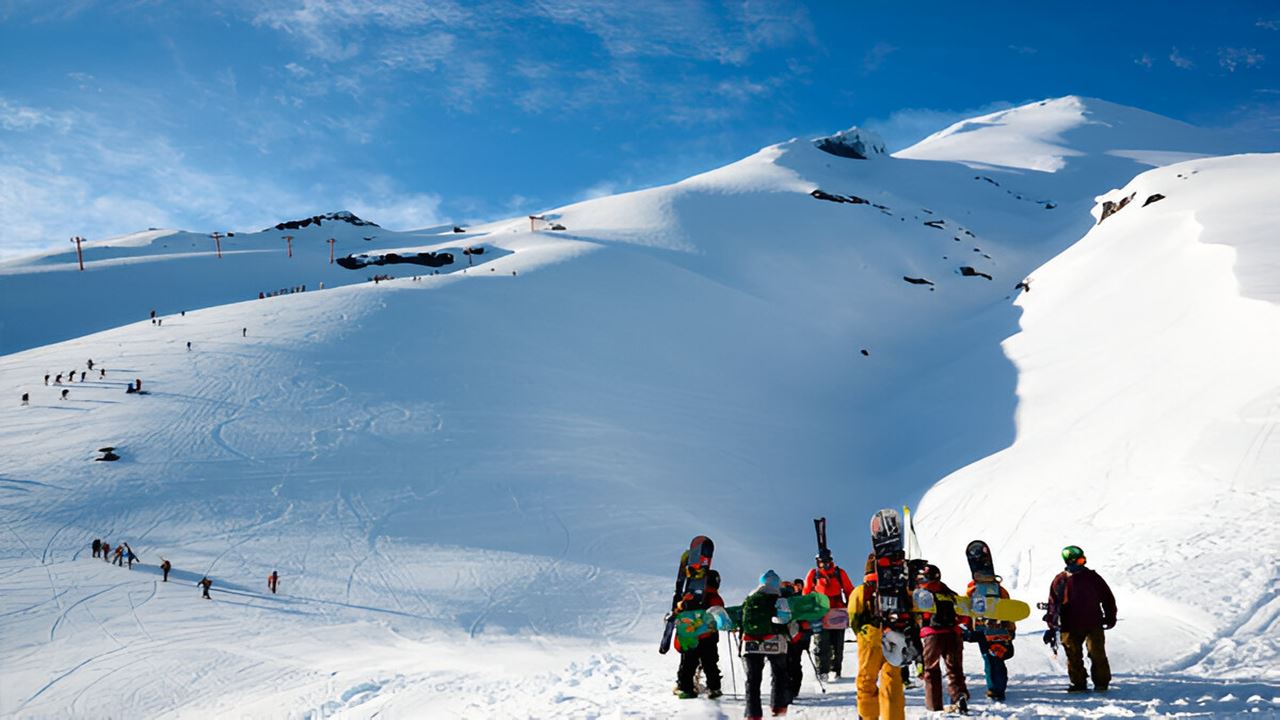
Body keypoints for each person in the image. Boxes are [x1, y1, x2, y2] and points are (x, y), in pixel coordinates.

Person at [1044, 545, 1116, 693]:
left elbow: (1107, 598)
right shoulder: (1060, 580)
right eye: (1081, 560)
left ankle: (1101, 683)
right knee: (1073, 655)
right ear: (1070, 561)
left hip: (1093, 623)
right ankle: (1078, 683)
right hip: (1069, 625)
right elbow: (1053, 603)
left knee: (1097, 653)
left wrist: (1110, 616)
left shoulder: (1092, 577)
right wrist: (1051, 624)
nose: (1083, 563)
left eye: (1084, 560)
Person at [851, 552, 904, 720]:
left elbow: (853, 617)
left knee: (866, 680)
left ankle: (868, 716)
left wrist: (861, 634)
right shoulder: (897, 589)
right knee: (892, 681)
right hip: (895, 638)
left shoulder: (862, 590)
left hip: (870, 641)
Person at [916, 564, 968, 713]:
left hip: (933, 635)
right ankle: (959, 697)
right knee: (955, 670)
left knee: (931, 670)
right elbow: (964, 617)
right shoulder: (950, 594)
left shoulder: (922, 594)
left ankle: (934, 706)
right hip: (953, 634)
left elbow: (921, 616)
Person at [741, 570, 791, 719]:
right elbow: (787, 619)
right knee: (779, 674)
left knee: (753, 679)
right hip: (774, 639)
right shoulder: (779, 597)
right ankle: (778, 707)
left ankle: (752, 713)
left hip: (751, 641)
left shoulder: (750, 597)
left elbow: (740, 617)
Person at [803, 549, 855, 680]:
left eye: (826, 561)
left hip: (837, 612)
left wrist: (852, 608)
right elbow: (806, 592)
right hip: (820, 612)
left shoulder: (839, 573)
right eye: (821, 562)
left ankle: (836, 669)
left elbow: (849, 590)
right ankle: (822, 671)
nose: (824, 564)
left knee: (837, 643)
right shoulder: (813, 574)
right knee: (821, 642)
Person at [673, 569, 723, 699]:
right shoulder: (715, 597)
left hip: (690, 636)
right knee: (710, 662)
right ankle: (714, 688)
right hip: (708, 636)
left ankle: (685, 689)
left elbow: (680, 611)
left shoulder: (690, 596)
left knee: (688, 663)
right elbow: (720, 615)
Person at [966, 574, 1016, 702]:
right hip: (999, 629)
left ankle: (994, 689)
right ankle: (998, 689)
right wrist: (1011, 629)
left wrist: (968, 629)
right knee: (997, 658)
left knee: (989, 658)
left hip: (983, 629)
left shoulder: (973, 589)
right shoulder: (999, 589)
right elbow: (1008, 609)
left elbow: (966, 609)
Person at [781, 578, 812, 700]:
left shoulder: (799, 600)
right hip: (793, 636)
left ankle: (791, 690)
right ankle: (791, 689)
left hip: (796, 636)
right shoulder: (795, 600)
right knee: (791, 663)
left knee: (791, 663)